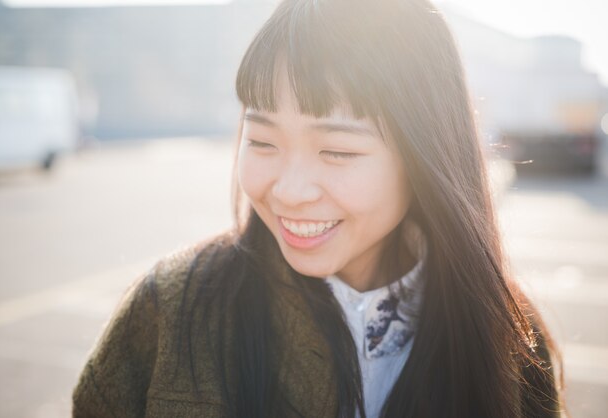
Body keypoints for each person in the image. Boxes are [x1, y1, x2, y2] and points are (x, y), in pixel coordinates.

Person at [72, 0, 564, 416]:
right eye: (262, 140)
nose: (289, 190)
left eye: (337, 151)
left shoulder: (507, 335)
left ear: (425, 158)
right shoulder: (170, 309)